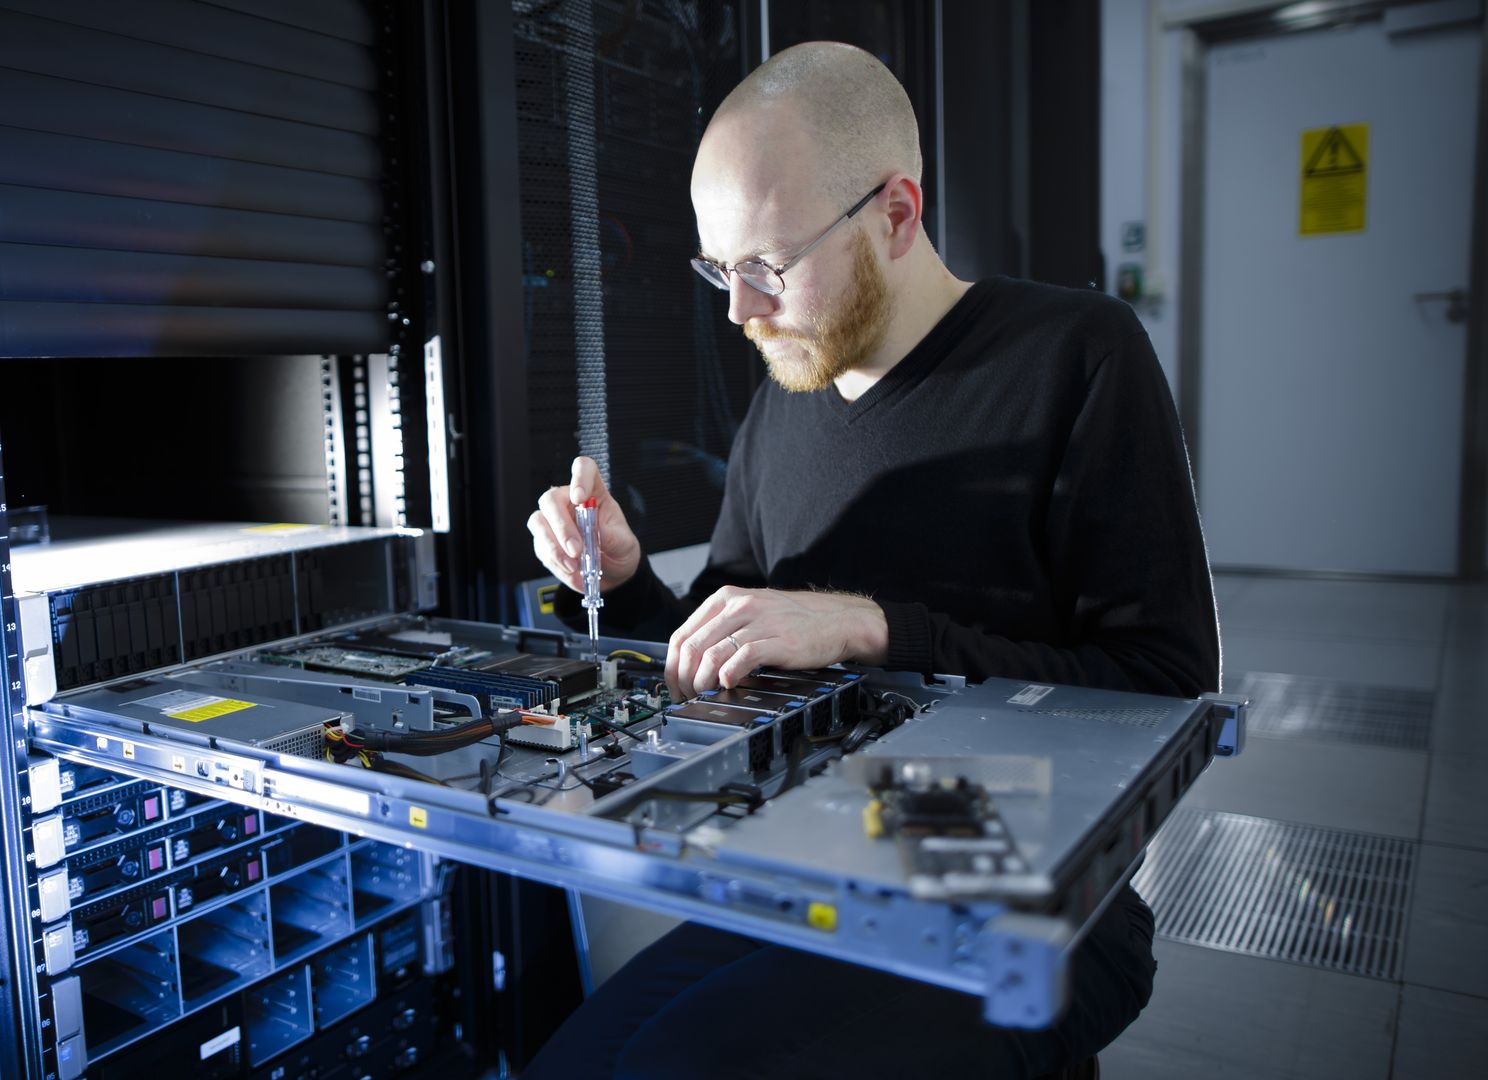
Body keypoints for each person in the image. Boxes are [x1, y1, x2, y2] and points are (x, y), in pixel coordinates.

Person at [520, 41, 1219, 1080]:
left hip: (1020, 888)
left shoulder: (1078, 355)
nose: (738, 311)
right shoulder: (779, 411)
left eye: (766, 265)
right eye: (719, 268)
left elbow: (1167, 693)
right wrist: (622, 584)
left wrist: (880, 627)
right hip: (822, 864)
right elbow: (716, 661)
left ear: (896, 211)